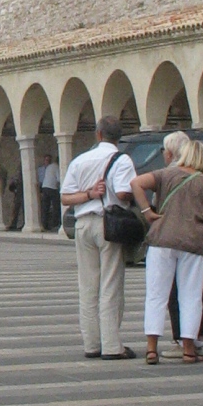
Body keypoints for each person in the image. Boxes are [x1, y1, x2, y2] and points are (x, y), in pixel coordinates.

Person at [133, 137, 203, 364]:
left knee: (156, 294)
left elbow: (136, 183)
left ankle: (151, 348)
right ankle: (189, 349)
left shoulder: (165, 175)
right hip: (193, 243)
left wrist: (147, 211)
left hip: (162, 240)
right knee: (191, 296)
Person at [61, 115, 137, 360]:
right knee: (110, 285)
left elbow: (65, 198)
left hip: (83, 224)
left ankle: (92, 344)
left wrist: (88, 195)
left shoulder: (80, 160)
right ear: (118, 137)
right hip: (109, 224)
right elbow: (124, 193)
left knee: (88, 285)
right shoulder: (122, 159)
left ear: (98, 134)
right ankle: (112, 345)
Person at [39, 156, 61, 231]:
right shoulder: (57, 167)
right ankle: (54, 224)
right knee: (56, 207)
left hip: (44, 187)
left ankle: (44, 225)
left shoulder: (49, 167)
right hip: (52, 188)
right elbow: (59, 179)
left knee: (45, 207)